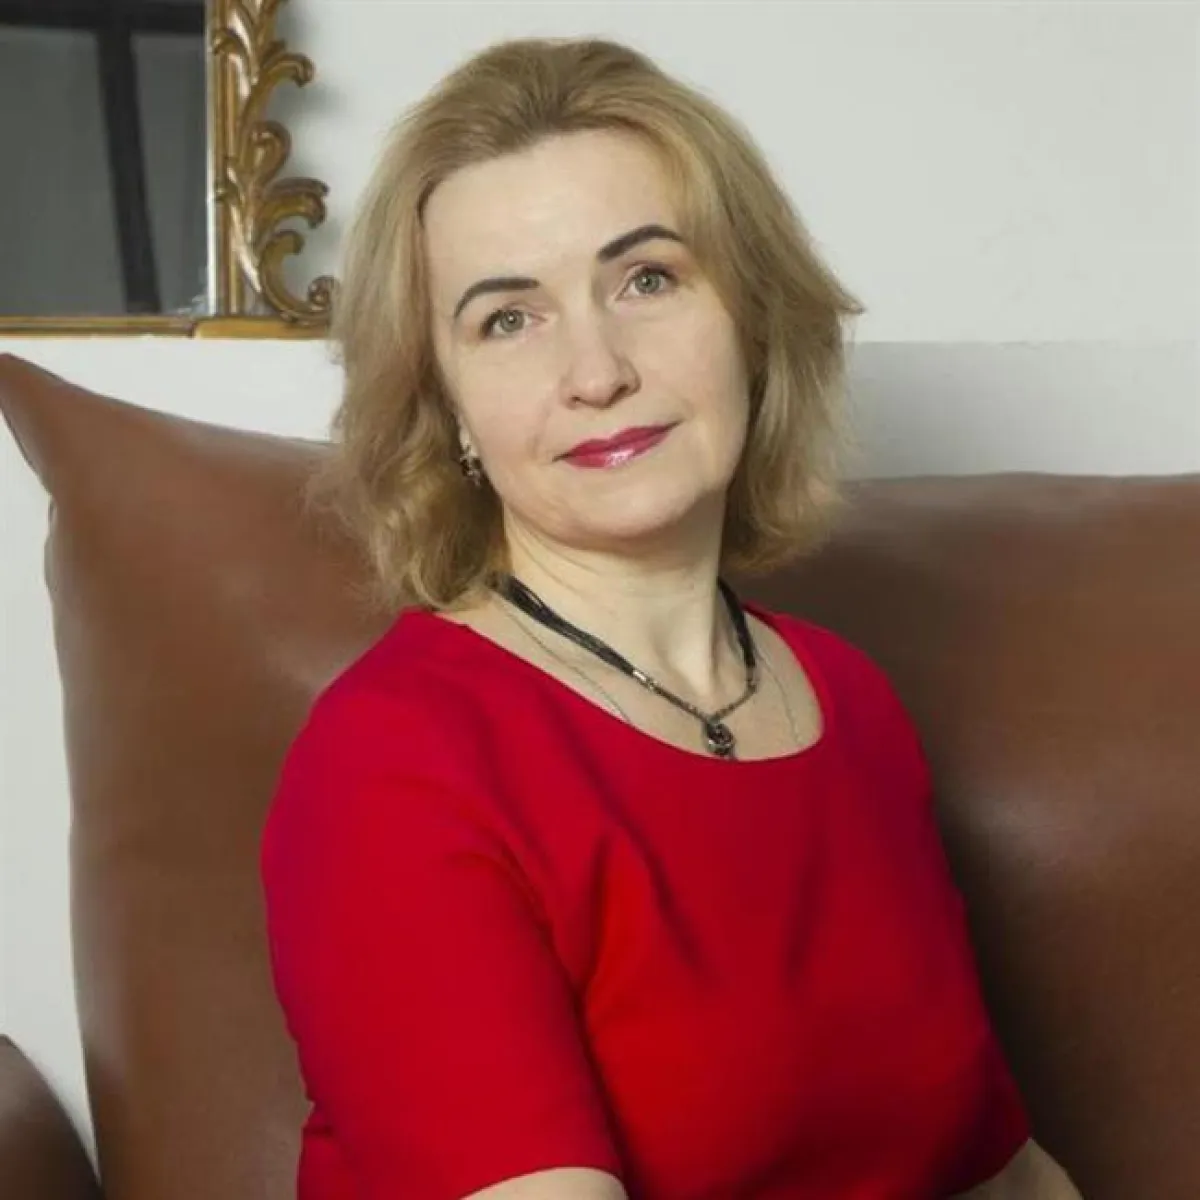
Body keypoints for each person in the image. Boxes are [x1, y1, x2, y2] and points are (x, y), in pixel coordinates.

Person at [259, 35, 1082, 1200]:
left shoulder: (846, 697)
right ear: (445, 407)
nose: (597, 371)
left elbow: (995, 1170)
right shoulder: (390, 764)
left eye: (647, 279)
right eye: (508, 319)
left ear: (751, 318)